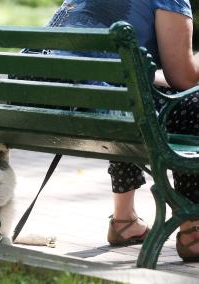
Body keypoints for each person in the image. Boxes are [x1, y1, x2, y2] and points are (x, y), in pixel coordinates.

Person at [44, 0, 199, 260]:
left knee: (129, 99)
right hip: (104, 103)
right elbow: (184, 79)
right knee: (189, 104)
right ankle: (193, 229)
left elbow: (143, 77)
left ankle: (124, 220)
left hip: (48, 103)